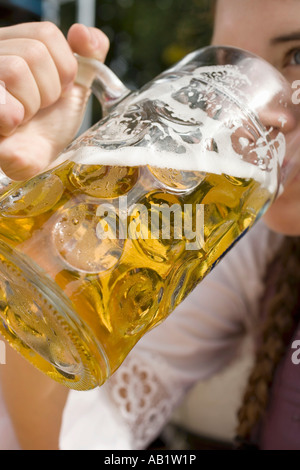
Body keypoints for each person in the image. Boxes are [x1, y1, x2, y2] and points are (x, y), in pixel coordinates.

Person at [1, 0, 300, 450]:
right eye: (228, 71)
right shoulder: (252, 252)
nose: (257, 112)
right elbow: (74, 441)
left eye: (297, 56)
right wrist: (48, 237)